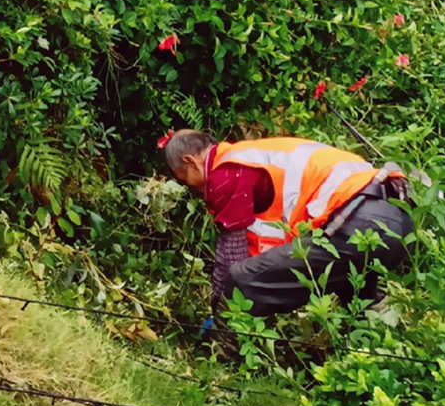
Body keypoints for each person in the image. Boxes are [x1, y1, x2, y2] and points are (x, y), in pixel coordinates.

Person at [161, 129, 413, 318]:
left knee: (242, 280)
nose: (192, 188)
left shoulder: (225, 173)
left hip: (357, 220)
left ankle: (228, 360)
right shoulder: (253, 156)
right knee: (353, 293)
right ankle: (382, 328)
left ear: (190, 161)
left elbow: (232, 256)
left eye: (185, 180)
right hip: (398, 220)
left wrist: (219, 309)